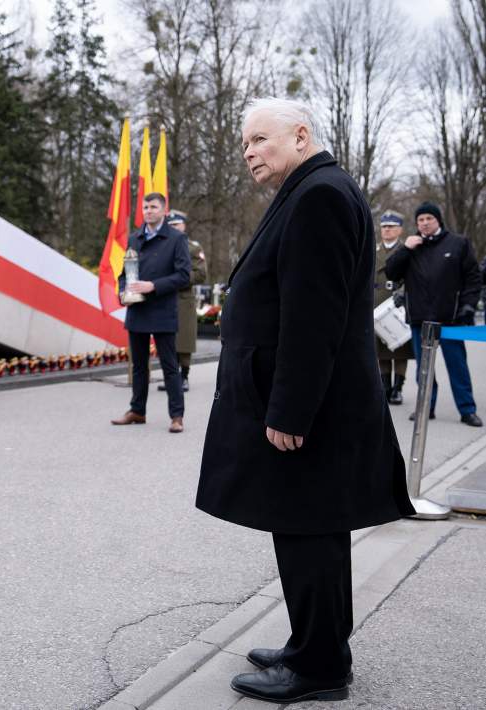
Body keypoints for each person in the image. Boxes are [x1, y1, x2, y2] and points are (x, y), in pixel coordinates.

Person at [197, 97, 414, 704]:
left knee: (307, 529)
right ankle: (312, 644)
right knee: (307, 528)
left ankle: (319, 666)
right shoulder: (310, 189)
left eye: (260, 140)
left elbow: (312, 318)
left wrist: (289, 412)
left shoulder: (319, 195)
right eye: (244, 144)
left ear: (299, 135)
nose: (248, 153)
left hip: (306, 410)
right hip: (304, 402)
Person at [385, 202, 483, 427]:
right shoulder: (412, 246)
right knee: (424, 368)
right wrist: (405, 249)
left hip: (450, 319)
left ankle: (467, 410)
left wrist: (468, 306)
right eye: (420, 220)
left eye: (429, 218)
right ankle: (426, 407)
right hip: (420, 319)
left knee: (457, 366)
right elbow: (391, 271)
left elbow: (473, 278)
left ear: (438, 220)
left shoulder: (458, 244)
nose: (424, 223)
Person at [110, 192, 191, 433]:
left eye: (153, 207)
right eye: (145, 207)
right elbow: (125, 273)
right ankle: (137, 410)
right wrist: (123, 292)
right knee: (139, 366)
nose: (148, 210)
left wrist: (153, 286)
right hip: (137, 311)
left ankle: (177, 416)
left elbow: (184, 275)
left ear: (163, 211)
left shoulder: (176, 238)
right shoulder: (135, 238)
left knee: (169, 366)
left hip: (162, 309)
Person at [158, 209, 207, 393]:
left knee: (184, 340)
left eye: (176, 225)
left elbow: (201, 274)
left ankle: (184, 376)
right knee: (167, 340)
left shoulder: (192, 247)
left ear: (184, 225)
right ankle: (170, 376)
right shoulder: (162, 246)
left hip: (184, 298)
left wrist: (178, 279)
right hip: (164, 298)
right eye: (170, 225)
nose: (174, 228)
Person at [374, 210, 413, 405]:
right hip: (376, 303)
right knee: (380, 348)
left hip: (397, 303)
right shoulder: (374, 250)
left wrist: (403, 294)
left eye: (391, 227)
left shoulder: (405, 250)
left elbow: (412, 276)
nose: (387, 230)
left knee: (399, 349)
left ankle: (398, 388)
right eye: (384, 227)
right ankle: (385, 386)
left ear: (399, 230)